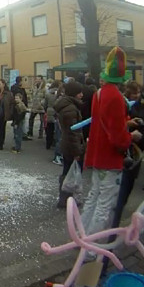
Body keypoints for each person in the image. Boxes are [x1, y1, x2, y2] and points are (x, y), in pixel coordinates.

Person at [81, 47, 143, 241]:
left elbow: (104, 124)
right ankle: (91, 249)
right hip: (110, 159)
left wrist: (125, 124)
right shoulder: (116, 97)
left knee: (93, 197)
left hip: (98, 155)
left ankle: (81, 237)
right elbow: (117, 138)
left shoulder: (100, 93)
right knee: (104, 205)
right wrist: (131, 137)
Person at [54, 80, 86, 208]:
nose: (82, 95)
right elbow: (73, 133)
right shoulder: (71, 109)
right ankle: (66, 200)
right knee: (70, 173)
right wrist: (77, 151)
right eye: (79, 93)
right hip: (71, 145)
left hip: (67, 144)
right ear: (74, 93)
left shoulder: (68, 105)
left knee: (68, 172)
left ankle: (66, 199)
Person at [10, 76, 30, 140]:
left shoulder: (13, 88)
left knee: (16, 121)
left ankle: (16, 134)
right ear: (20, 81)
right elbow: (23, 99)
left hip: (14, 107)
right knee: (21, 122)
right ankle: (21, 135)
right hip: (20, 108)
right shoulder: (20, 89)